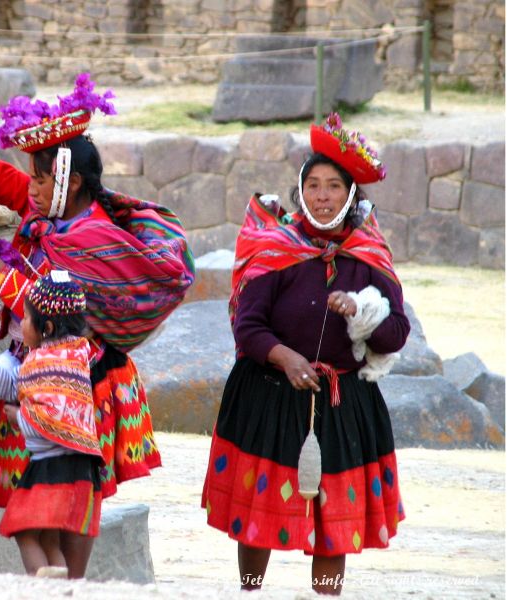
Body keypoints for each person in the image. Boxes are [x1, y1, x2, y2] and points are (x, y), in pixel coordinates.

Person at [0, 73, 195, 575]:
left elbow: (67, 316)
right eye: (33, 178)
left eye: (40, 179)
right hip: (39, 372)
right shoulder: (46, 208)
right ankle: (56, 580)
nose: (32, 188)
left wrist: (3, 277)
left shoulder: (94, 237)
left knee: (78, 495)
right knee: (37, 489)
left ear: (72, 181)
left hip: (87, 383)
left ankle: (74, 582)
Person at [202, 113, 410, 595]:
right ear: (301, 191)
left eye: (334, 186)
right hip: (269, 397)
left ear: (350, 196)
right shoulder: (277, 248)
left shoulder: (367, 256)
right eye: (313, 185)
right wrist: (287, 358)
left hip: (342, 405)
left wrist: (361, 312)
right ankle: (251, 588)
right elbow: (247, 325)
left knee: (332, 521)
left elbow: (396, 334)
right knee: (258, 516)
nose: (322, 195)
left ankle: (326, 596)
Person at [0, 271, 103, 579]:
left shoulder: (44, 361)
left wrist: (19, 419)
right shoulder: (77, 354)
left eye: (26, 318)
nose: (21, 325)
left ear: (48, 327)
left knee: (24, 531)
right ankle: (63, 587)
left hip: (53, 465)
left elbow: (51, 418)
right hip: (80, 467)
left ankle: (46, 588)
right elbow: (23, 388)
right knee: (48, 538)